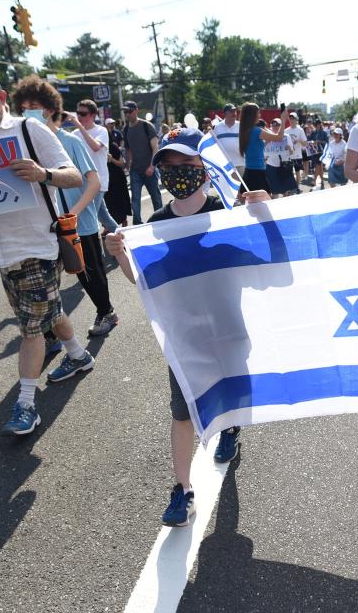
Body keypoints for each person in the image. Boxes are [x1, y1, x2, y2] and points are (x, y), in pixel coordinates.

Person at [104, 128, 271, 526]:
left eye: (186, 165)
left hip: (230, 326)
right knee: (182, 413)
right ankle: (182, 489)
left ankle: (230, 428)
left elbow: (268, 263)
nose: (177, 173)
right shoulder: (157, 222)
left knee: (231, 391)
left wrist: (265, 214)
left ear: (206, 168)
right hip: (184, 336)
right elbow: (144, 281)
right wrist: (121, 256)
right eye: (169, 166)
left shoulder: (226, 213)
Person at [0, 63, 90, 436]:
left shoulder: (29, 130)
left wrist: (43, 174)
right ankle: (78, 355)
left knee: (31, 329)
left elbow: (73, 175)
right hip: (1, 251)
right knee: (46, 311)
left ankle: (26, 404)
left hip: (38, 244)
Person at [12, 77, 119, 338]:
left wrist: (74, 213)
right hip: (44, 226)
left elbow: (92, 181)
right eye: (23, 106)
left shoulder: (70, 141)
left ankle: (106, 312)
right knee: (46, 283)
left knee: (88, 273)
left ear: (49, 109)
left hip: (77, 223)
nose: (28, 111)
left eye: (33, 105)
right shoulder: (24, 145)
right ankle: (50, 337)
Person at [72, 99, 120, 234]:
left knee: (89, 218)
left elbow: (95, 147)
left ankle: (96, 251)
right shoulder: (74, 134)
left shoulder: (102, 130)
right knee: (104, 217)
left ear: (93, 115)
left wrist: (79, 127)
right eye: (78, 113)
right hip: (82, 182)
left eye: (83, 113)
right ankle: (124, 238)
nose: (79, 117)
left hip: (98, 182)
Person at [122, 100, 162, 224]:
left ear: (136, 110)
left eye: (129, 111)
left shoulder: (146, 125)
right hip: (135, 170)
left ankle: (160, 219)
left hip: (149, 168)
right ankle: (137, 222)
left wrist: (152, 166)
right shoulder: (126, 129)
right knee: (135, 199)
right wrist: (127, 165)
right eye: (125, 112)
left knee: (156, 197)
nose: (127, 114)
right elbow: (128, 150)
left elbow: (155, 148)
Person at [238, 102, 288, 193]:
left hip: (249, 171)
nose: (260, 115)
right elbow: (279, 138)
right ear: (252, 115)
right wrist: (283, 120)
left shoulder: (244, 130)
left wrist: (265, 143)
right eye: (258, 113)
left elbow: (254, 147)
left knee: (249, 202)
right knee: (265, 201)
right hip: (258, 172)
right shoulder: (257, 131)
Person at [264, 117, 297, 199]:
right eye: (273, 125)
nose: (275, 127)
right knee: (274, 190)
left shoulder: (286, 136)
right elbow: (264, 153)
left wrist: (289, 148)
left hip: (284, 166)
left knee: (285, 191)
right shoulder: (268, 136)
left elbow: (292, 152)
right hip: (271, 166)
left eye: (277, 125)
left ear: (281, 126)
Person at [213, 103, 245, 175]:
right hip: (224, 165)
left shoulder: (241, 126)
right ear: (225, 113)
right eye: (231, 111)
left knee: (241, 186)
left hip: (241, 164)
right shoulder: (217, 127)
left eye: (235, 111)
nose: (234, 113)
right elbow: (214, 145)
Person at [285, 112, 308, 185]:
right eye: (290, 118)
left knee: (297, 172)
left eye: (293, 118)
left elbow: (305, 143)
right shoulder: (286, 130)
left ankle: (297, 187)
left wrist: (298, 140)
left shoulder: (300, 130)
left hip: (297, 155)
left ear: (296, 120)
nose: (291, 120)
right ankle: (291, 187)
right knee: (289, 172)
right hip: (288, 155)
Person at [307, 119, 329, 188]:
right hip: (315, 151)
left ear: (320, 124)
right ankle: (322, 180)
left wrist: (321, 142)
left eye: (318, 124)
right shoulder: (313, 133)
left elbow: (327, 143)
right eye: (316, 124)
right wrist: (313, 142)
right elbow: (309, 141)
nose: (317, 126)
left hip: (322, 151)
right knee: (320, 167)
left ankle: (314, 180)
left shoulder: (324, 133)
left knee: (318, 166)